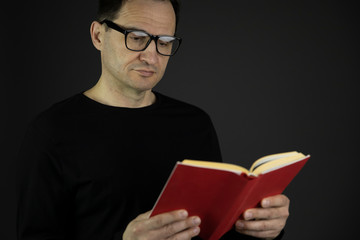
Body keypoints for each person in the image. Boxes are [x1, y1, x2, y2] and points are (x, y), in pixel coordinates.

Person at [16, 0, 289, 239]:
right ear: (98, 35)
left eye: (164, 42)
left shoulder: (194, 123)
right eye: (136, 37)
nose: (152, 56)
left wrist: (262, 229)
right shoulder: (51, 132)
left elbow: (213, 233)